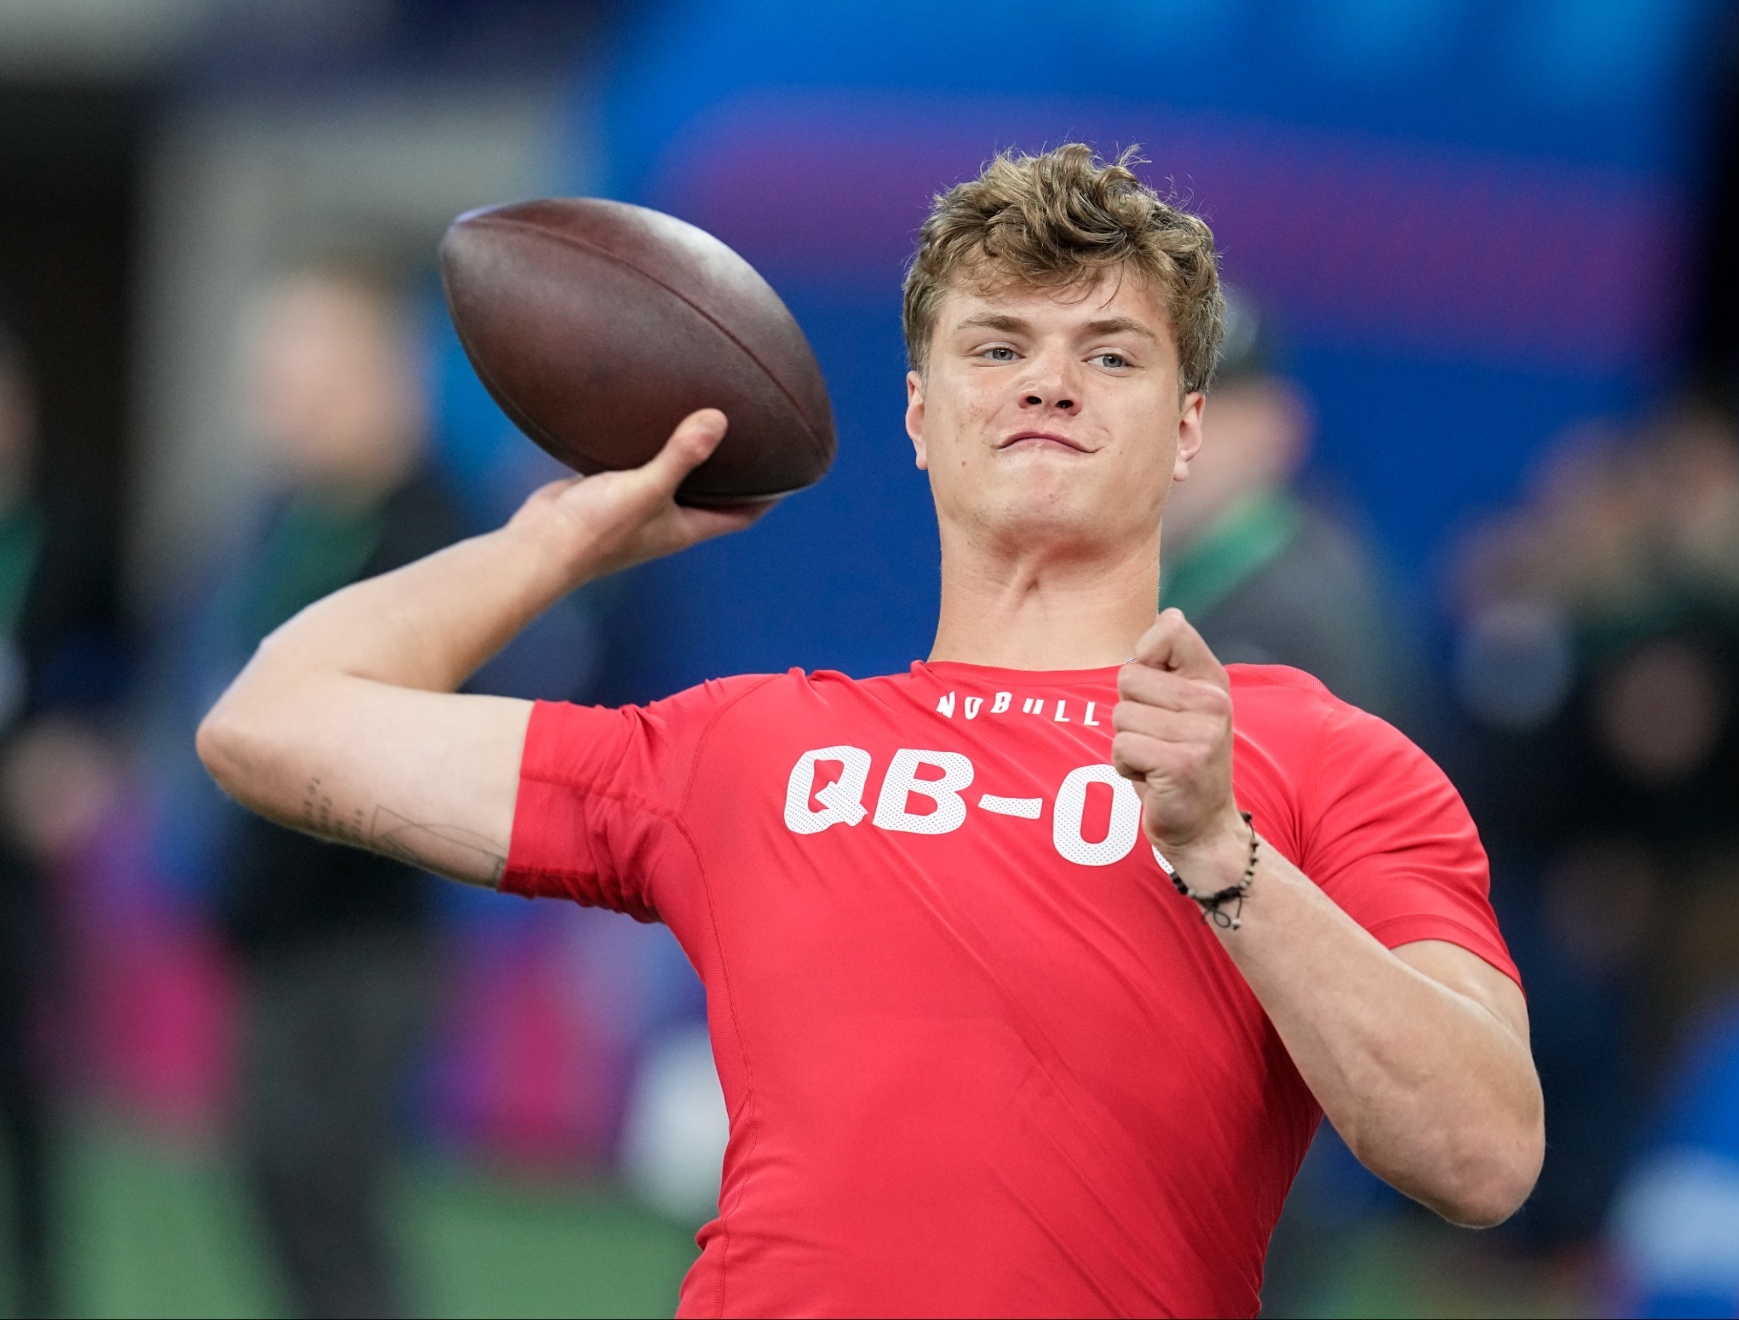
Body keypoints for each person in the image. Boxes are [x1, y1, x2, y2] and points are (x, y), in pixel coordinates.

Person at [197, 146, 1541, 1318]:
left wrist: (1224, 853)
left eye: (1110, 354)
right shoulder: (748, 750)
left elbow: (1482, 1154)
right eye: (998, 346)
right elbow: (274, 721)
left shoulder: (1317, 761)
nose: (1049, 384)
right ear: (917, 414)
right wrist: (554, 543)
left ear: (1189, 430)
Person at [208, 265, 466, 1318]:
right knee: (277, 1181)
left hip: (365, 925)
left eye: (305, 378)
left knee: (329, 1190)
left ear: (383, 380)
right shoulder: (284, 525)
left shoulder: (432, 533)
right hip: (278, 922)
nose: (281, 406)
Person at [0, 313, 122, 1319]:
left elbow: (114, 667)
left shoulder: (71, 523)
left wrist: (81, 752)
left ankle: (42, 1289)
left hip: (20, 865)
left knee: (30, 1085)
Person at [1160, 290, 1404, 721]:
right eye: (1163, 400)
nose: (1180, 435)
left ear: (1280, 429)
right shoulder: (1192, 570)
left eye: (1212, 411)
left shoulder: (1296, 614)